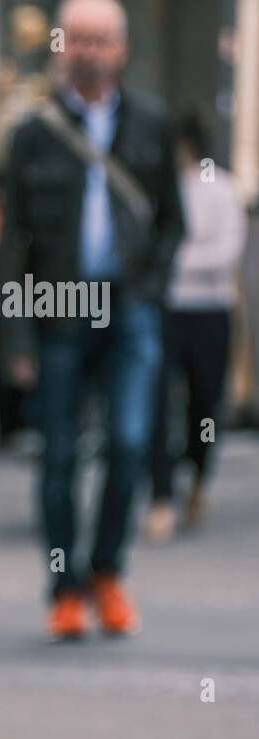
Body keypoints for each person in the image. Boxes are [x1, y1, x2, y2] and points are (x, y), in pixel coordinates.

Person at [0, 0, 184, 637]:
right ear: (59, 47)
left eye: (101, 40)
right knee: (59, 457)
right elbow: (8, 245)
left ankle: (107, 572)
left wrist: (148, 291)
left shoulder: (151, 125)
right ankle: (64, 587)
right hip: (59, 311)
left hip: (128, 307)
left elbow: (170, 223)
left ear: (121, 50)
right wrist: (16, 334)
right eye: (78, 39)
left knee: (130, 446)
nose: (89, 51)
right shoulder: (33, 134)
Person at [145, 108, 248, 542]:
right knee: (156, 402)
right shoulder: (156, 187)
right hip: (165, 309)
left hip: (208, 310)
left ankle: (198, 478)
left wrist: (175, 261)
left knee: (204, 401)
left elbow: (225, 255)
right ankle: (162, 493)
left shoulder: (222, 190)